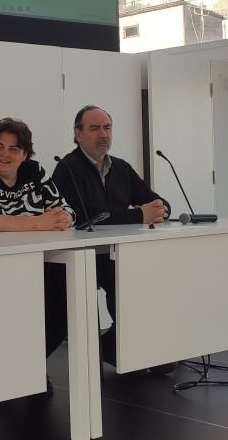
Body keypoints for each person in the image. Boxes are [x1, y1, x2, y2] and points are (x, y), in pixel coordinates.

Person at [0, 118, 75, 432]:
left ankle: (24, 365)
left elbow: (65, 212)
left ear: (25, 154)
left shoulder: (36, 173)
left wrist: (54, 219)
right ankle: (9, 372)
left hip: (34, 262)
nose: (4, 154)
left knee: (64, 304)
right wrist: (38, 222)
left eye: (13, 149)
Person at [51, 105, 174, 375]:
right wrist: (139, 215)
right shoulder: (67, 169)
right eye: (94, 128)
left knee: (147, 281)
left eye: (107, 127)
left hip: (119, 254)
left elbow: (155, 200)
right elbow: (85, 217)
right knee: (120, 280)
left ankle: (126, 346)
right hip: (79, 258)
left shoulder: (120, 167)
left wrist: (159, 209)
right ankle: (109, 348)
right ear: (77, 134)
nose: (103, 134)